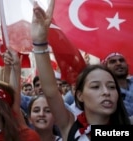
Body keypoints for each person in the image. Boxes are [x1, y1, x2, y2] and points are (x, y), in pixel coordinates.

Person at [31, 1, 130, 141]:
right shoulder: (71, 127)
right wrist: (40, 43)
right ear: (80, 96)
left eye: (112, 87)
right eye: (95, 86)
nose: (106, 92)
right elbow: (51, 91)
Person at [103, 52, 133, 116]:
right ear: (106, 67)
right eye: (113, 61)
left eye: (121, 60)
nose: (118, 63)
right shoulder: (105, 92)